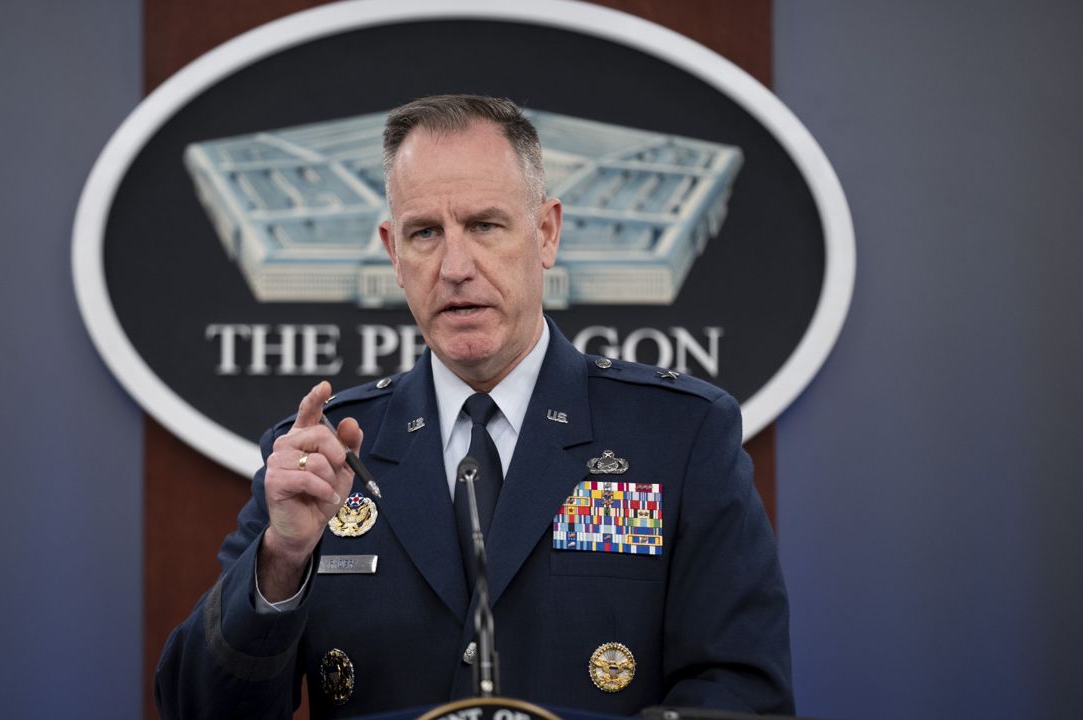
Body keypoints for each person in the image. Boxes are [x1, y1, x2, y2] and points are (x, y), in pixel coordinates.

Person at [156, 95, 793, 719]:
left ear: (545, 233)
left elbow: (743, 693)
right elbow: (195, 706)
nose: (455, 266)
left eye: (485, 226)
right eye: (425, 233)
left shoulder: (678, 434)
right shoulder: (328, 452)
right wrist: (281, 561)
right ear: (393, 254)